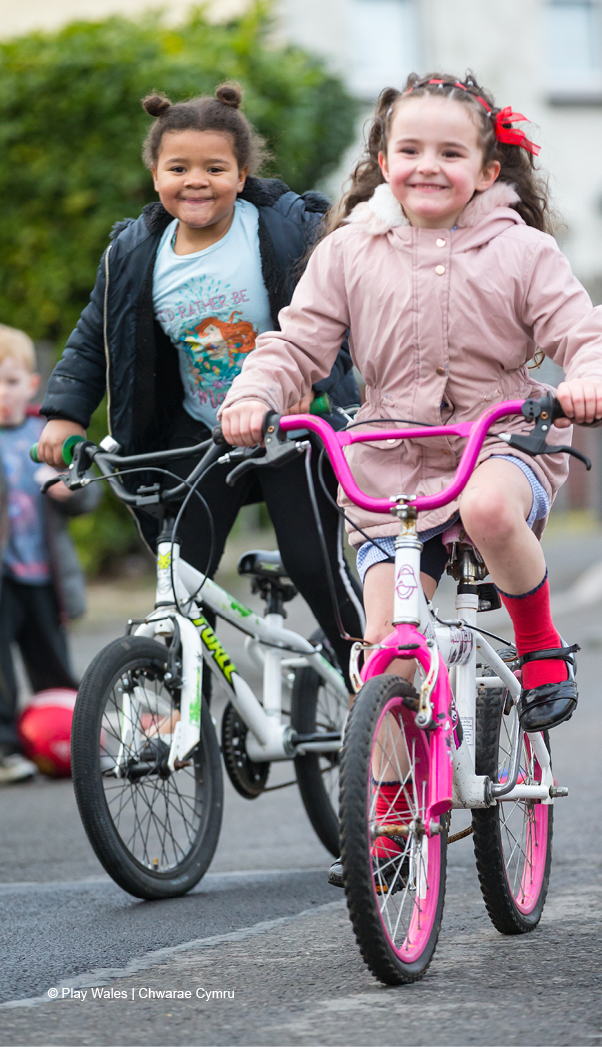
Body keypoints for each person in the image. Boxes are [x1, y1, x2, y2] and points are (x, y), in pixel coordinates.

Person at [219, 71, 602, 880]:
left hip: (501, 439)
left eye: (451, 151)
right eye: (409, 149)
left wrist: (592, 379)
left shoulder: (522, 249)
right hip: (389, 458)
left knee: (487, 508)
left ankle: (542, 643)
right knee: (390, 655)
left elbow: (586, 334)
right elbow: (296, 346)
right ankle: (393, 816)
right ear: (382, 159)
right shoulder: (346, 251)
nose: (428, 166)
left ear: (487, 170)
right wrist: (254, 394)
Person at [37, 83, 364, 676]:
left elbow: (339, 314)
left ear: (241, 176)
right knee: (181, 573)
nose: (196, 180)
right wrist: (65, 413)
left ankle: (373, 681)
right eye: (178, 167)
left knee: (316, 564)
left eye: (214, 167)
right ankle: (185, 701)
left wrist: (318, 382)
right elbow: (93, 337)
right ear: (155, 174)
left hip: (292, 428)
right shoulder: (136, 252)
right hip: (203, 433)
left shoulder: (284, 229)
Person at [0, 326, 98, 783]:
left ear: (31, 385)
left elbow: (88, 496)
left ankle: (69, 742)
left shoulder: (48, 434)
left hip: (45, 576)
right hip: (5, 577)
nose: (3, 393)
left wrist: (69, 491)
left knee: (54, 666)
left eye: (11, 381)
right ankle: (5, 750)